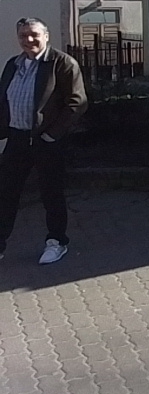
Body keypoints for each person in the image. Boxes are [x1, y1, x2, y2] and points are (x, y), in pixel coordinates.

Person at [0, 18, 87, 264]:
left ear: (46, 36)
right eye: (23, 35)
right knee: (5, 193)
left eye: (34, 35)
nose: (28, 40)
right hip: (17, 138)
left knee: (51, 193)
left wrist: (52, 135)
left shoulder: (62, 63)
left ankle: (57, 241)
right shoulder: (13, 64)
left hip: (45, 140)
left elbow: (77, 102)